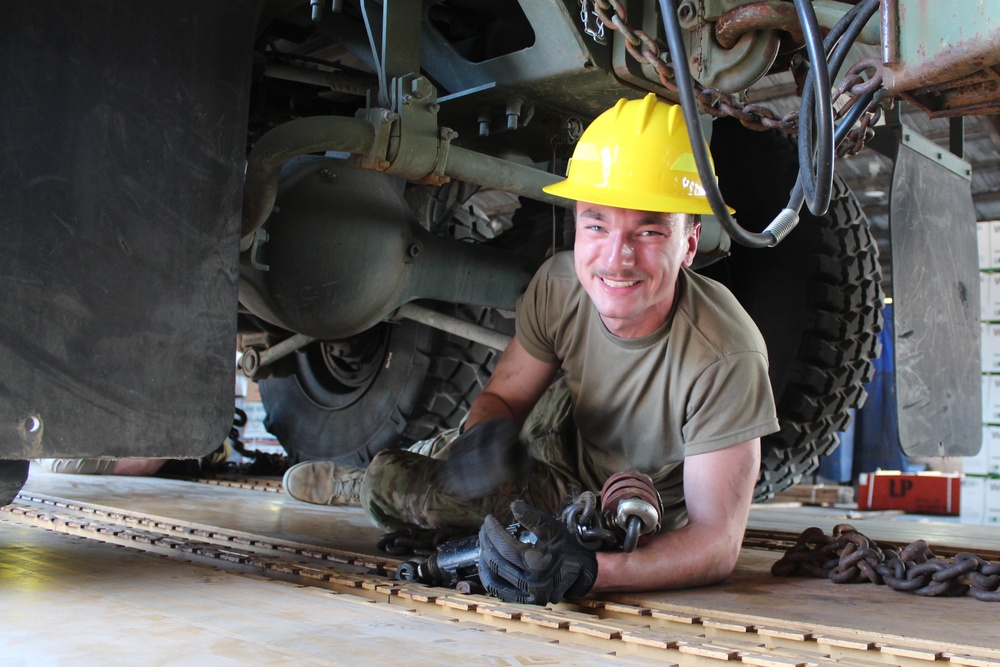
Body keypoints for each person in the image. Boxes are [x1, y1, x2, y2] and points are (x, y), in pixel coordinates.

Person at [283, 93, 779, 603]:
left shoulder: (726, 356)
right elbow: (505, 399)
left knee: (395, 482)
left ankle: (369, 483)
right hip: (564, 425)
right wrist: (484, 439)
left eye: (649, 230)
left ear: (690, 243)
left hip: (610, 504)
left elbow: (716, 544)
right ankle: (412, 463)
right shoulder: (560, 286)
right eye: (597, 224)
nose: (616, 258)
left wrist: (587, 571)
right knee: (454, 465)